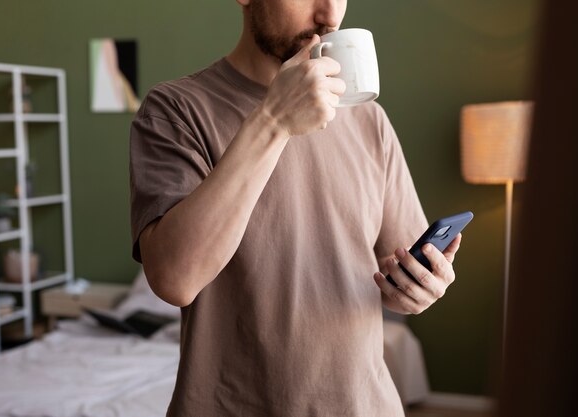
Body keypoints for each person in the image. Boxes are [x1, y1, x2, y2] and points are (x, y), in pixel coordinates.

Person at [130, 1, 462, 416]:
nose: (329, 15)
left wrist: (421, 289)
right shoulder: (175, 110)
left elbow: (397, 273)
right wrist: (273, 122)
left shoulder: (369, 119)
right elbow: (175, 280)